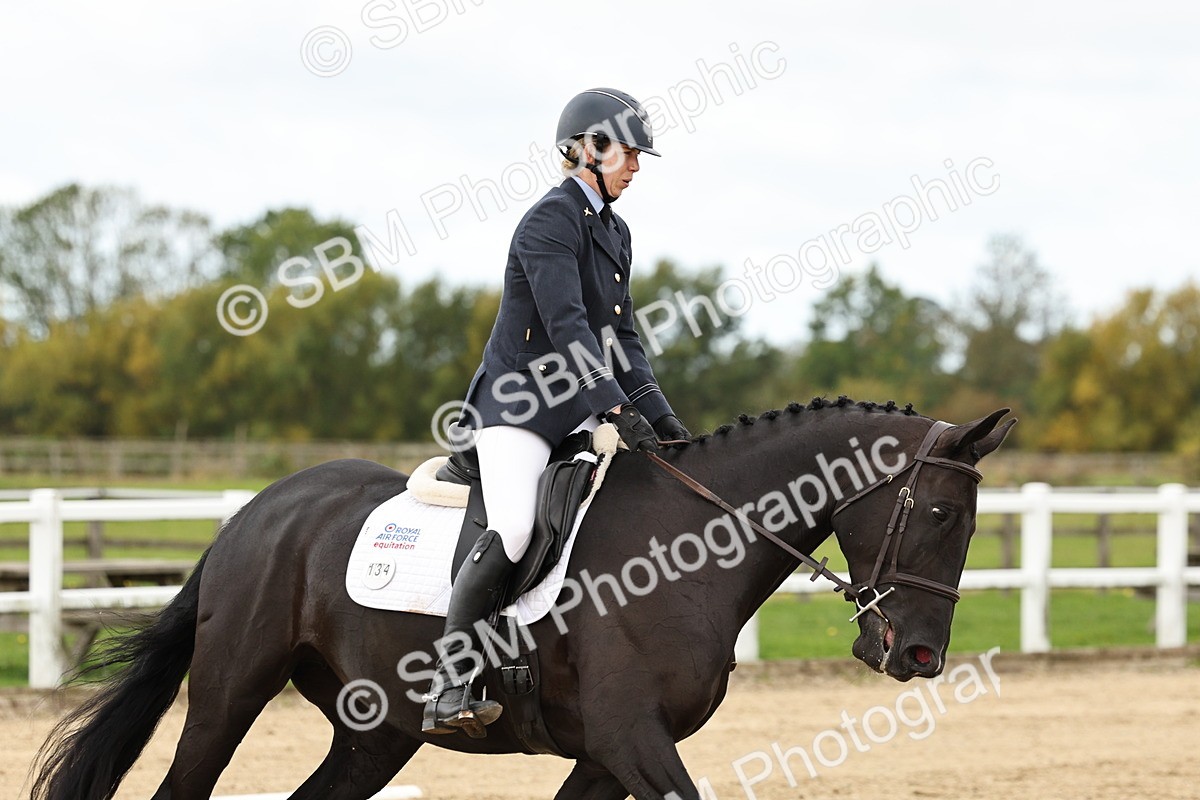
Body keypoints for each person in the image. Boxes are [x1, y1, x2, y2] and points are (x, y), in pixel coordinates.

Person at [422, 88, 691, 736]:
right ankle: (449, 685)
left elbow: (621, 338)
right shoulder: (551, 220)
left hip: (572, 407)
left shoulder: (614, 231)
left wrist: (658, 414)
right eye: (628, 153)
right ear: (587, 149)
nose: (636, 166)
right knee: (515, 528)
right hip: (517, 407)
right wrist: (614, 409)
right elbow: (567, 326)